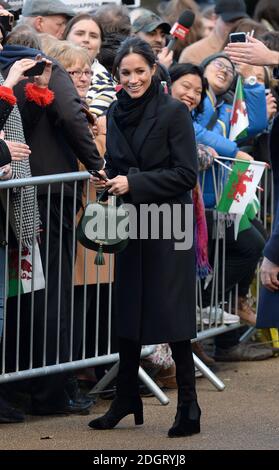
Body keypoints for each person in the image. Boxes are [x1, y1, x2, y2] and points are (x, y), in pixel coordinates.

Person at [88, 37, 200, 438]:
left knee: (173, 312)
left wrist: (132, 182)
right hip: (133, 220)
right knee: (128, 308)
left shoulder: (173, 112)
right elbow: (119, 163)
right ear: (117, 75)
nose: (133, 79)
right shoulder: (115, 112)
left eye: (139, 71)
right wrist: (107, 178)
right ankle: (126, 398)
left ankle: (189, 405)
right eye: (125, 73)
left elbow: (187, 174)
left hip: (169, 219)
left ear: (153, 70)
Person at [63, 14, 116, 117]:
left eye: (93, 36)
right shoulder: (51, 69)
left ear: (100, 46)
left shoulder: (104, 83)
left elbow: (86, 124)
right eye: (80, 33)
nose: (86, 39)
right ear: (65, 38)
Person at [179, 0, 248, 65]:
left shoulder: (248, 49)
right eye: (230, 21)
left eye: (240, 21)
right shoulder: (193, 53)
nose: (235, 25)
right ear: (214, 18)